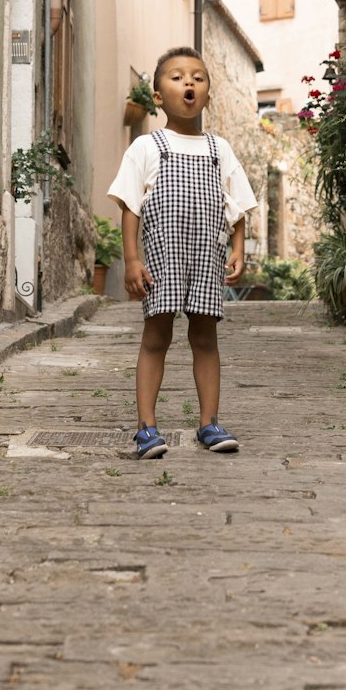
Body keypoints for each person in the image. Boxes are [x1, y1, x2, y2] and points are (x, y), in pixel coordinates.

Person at [107, 47, 257, 459]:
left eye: (198, 77)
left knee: (205, 338)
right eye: (176, 77)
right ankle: (146, 428)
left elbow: (238, 204)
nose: (188, 82)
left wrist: (239, 247)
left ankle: (208, 423)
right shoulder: (146, 147)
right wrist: (133, 260)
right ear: (157, 96)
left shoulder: (219, 149)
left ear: (207, 95)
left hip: (207, 258)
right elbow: (130, 206)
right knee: (156, 336)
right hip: (161, 258)